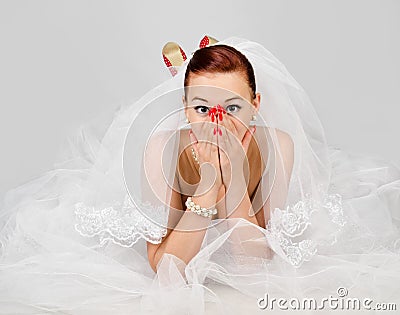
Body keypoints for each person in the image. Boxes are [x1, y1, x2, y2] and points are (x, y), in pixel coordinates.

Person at [0, 35, 399, 314]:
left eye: (234, 108)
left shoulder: (278, 144)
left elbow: (252, 263)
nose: (218, 123)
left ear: (256, 105)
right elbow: (165, 269)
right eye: (202, 108)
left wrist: (236, 182)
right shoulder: (161, 148)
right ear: (185, 106)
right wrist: (208, 188)